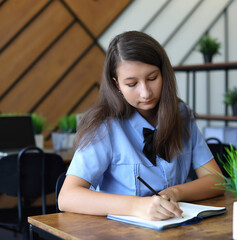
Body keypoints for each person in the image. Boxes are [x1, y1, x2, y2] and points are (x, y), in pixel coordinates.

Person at [58, 31, 224, 221]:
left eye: (152, 78)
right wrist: (137, 206)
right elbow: (67, 197)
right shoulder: (104, 126)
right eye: (132, 84)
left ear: (163, 73)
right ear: (117, 84)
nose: (145, 93)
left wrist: (174, 192)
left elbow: (216, 181)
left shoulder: (181, 114)